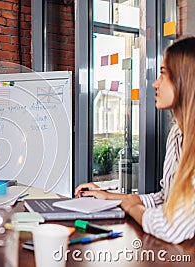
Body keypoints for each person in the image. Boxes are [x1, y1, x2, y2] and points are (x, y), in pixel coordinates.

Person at [75, 36, 195, 244]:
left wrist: (131, 206)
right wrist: (109, 197)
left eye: (164, 74)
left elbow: (171, 227)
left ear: (185, 81)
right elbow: (166, 199)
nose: (155, 83)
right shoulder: (177, 134)